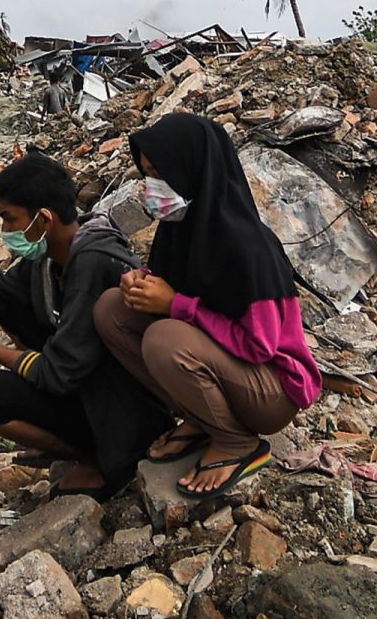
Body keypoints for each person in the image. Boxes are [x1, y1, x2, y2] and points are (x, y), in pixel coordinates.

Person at [93, 113, 321, 499]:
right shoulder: (183, 226)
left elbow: (259, 346)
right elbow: (179, 281)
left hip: (273, 390)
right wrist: (142, 283)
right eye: (147, 174)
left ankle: (236, 443)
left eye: (161, 174)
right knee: (112, 309)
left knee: (164, 339)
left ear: (192, 170)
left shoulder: (247, 247)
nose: (152, 187)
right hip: (228, 369)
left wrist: (176, 304)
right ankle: (202, 418)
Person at [0, 152, 172, 498]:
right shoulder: (52, 254)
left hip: (123, 408)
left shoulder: (92, 262)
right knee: (13, 307)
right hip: (85, 382)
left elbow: (59, 372)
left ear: (43, 218)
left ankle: (96, 459)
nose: (6, 231)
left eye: (10, 220)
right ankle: (68, 439)